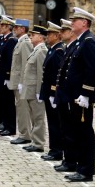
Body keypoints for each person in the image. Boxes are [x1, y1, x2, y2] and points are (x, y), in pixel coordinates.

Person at [54, 7, 95, 182]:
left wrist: (86, 93)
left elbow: (91, 70)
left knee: (84, 133)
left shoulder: (89, 41)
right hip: (74, 96)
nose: (71, 23)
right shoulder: (81, 41)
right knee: (76, 132)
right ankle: (79, 165)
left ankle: (86, 170)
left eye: (75, 20)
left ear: (85, 23)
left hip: (81, 98)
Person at [54, 18, 78, 172]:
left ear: (71, 32)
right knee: (65, 130)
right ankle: (67, 159)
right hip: (63, 95)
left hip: (70, 96)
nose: (61, 34)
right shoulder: (68, 47)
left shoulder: (75, 47)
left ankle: (71, 161)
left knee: (70, 131)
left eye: (63, 31)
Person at [39, 21, 64, 158]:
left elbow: (57, 74)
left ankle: (57, 151)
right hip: (48, 91)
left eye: (49, 34)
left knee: (55, 123)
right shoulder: (53, 49)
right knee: (52, 122)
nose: (47, 36)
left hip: (52, 92)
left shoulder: (59, 50)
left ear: (56, 35)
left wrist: (54, 92)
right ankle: (54, 149)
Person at [21, 25, 48, 152]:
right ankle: (34, 141)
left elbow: (41, 73)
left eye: (34, 35)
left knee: (38, 118)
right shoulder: (35, 50)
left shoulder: (42, 50)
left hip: (35, 90)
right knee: (33, 116)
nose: (31, 36)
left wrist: (39, 91)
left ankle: (38, 143)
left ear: (41, 37)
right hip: (30, 89)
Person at [9, 18, 33, 143]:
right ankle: (23, 133)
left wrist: (23, 83)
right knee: (20, 108)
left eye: (16, 27)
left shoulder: (25, 43)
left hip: (21, 83)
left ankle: (25, 135)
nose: (14, 29)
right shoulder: (20, 42)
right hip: (17, 82)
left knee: (23, 109)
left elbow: (26, 65)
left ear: (23, 29)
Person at [0, 15, 18, 136]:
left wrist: (8, 77)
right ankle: (5, 124)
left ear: (9, 27)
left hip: (6, 77)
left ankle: (11, 127)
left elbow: (10, 61)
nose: (1, 27)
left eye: (4, 25)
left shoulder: (11, 40)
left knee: (9, 103)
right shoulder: (5, 39)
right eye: (1, 25)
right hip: (2, 75)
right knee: (4, 102)